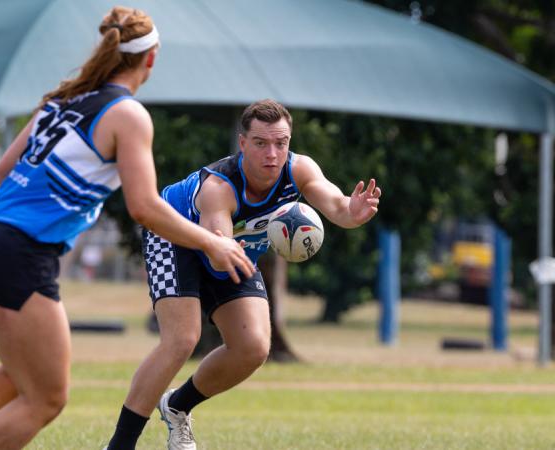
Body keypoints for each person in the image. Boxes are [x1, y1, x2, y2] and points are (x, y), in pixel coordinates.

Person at [0, 6, 254, 450]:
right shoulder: (128, 115)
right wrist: (211, 243)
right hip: (17, 252)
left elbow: (3, 173)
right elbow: (144, 207)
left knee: (19, 375)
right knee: (45, 398)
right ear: (150, 58)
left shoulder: (62, 101)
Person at [105, 99, 381, 450]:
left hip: (229, 250)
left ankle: (177, 406)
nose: (272, 154)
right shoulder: (219, 188)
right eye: (261, 143)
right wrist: (230, 248)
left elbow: (337, 205)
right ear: (243, 143)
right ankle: (119, 446)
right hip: (174, 238)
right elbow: (218, 253)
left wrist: (352, 212)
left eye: (281, 143)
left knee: (253, 348)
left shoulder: (299, 170)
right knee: (182, 340)